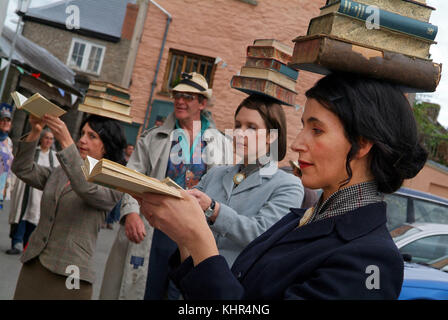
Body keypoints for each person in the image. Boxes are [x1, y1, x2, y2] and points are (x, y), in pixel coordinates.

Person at [137, 73, 428, 299]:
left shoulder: (371, 260)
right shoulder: (298, 220)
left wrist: (200, 236)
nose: (299, 143)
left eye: (317, 130)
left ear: (362, 144)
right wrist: (186, 237)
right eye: (302, 126)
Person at [100, 72, 231, 300]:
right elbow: (132, 174)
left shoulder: (221, 144)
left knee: (183, 293)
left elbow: (226, 191)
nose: (180, 101)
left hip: (195, 231)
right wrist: (131, 213)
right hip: (156, 228)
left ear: (202, 103)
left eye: (188, 97)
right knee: (147, 290)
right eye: (177, 95)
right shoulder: (153, 138)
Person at [12, 113, 126, 300]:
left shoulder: (113, 182)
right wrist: (35, 131)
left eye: (92, 136)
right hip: (35, 265)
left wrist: (66, 141)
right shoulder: (63, 170)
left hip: (71, 275)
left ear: (106, 145)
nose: (82, 140)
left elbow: (85, 188)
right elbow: (23, 169)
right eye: (82, 133)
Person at [187, 94, 304, 266]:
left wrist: (214, 209)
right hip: (192, 276)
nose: (239, 133)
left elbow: (263, 234)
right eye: (237, 125)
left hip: (237, 285)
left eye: (251, 127)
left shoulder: (288, 185)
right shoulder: (215, 173)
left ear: (271, 136)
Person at [7, 129, 60, 255]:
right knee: (21, 215)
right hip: (25, 189)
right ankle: (16, 243)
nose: (48, 141)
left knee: (35, 218)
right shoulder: (33, 152)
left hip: (40, 194)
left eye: (51, 139)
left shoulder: (54, 157)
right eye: (46, 137)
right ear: (41, 138)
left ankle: (27, 245)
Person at [0, 104, 14, 214]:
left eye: (8, 120)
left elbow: (8, 167)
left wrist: (6, 187)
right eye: (3, 120)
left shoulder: (9, 142)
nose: (6, 123)